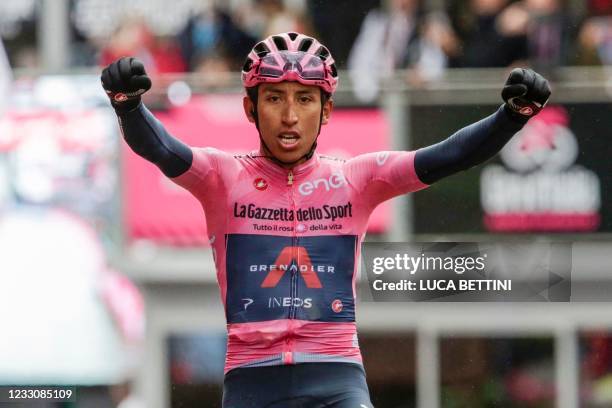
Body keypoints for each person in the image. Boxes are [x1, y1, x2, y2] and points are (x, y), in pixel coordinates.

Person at [101, 31, 550, 407]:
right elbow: (160, 148)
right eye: (274, 98)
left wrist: (511, 118)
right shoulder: (221, 176)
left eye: (305, 99)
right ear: (250, 109)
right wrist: (128, 105)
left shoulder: (357, 179)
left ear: (328, 110)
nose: (290, 116)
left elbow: (450, 156)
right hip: (251, 382)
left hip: (337, 379)